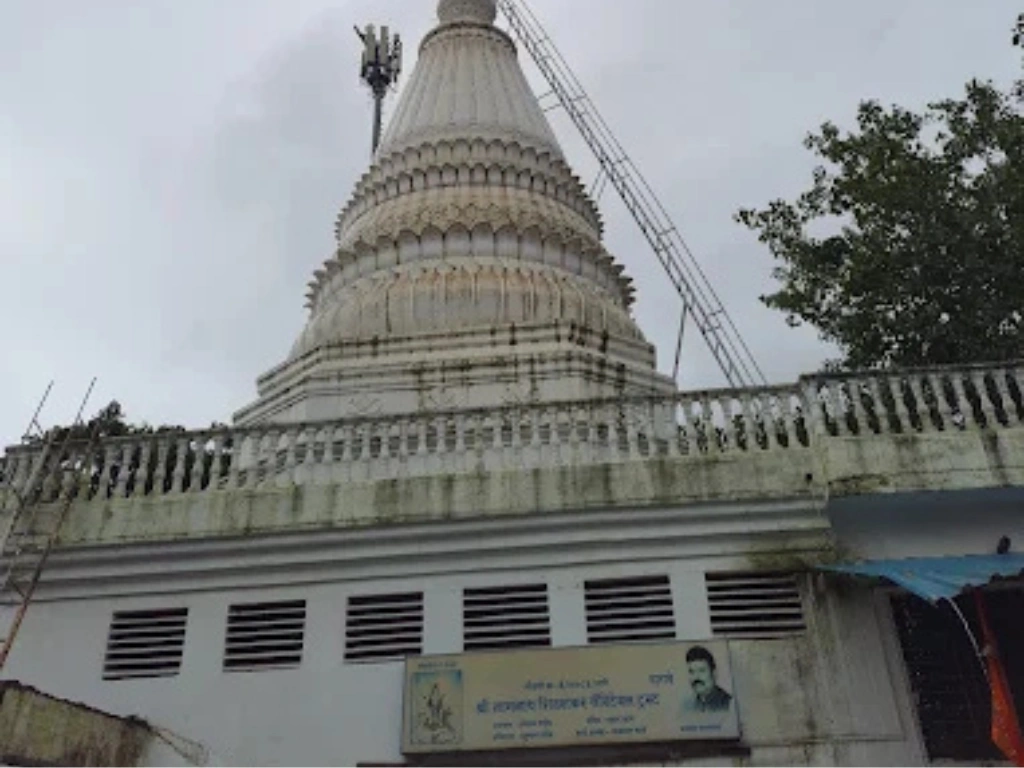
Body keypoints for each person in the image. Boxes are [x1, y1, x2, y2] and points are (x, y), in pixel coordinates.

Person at [684, 646, 732, 713]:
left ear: (714, 673)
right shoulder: (689, 706)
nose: (696, 677)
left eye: (701, 671)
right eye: (691, 672)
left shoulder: (729, 704)